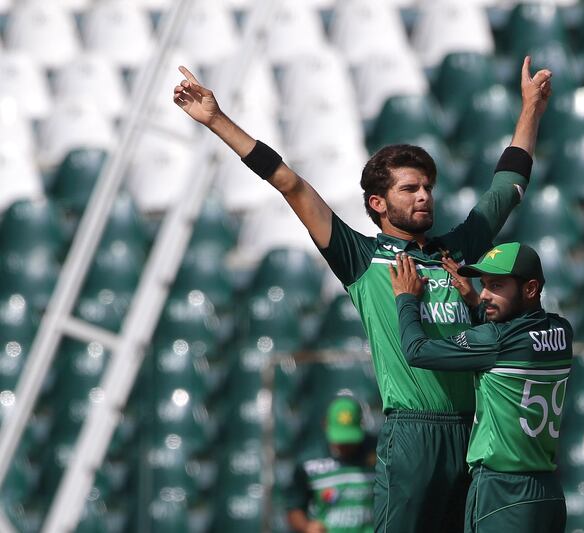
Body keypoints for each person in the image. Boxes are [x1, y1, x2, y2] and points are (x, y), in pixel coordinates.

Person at [173, 57, 552, 532]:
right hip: (413, 434)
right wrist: (216, 121)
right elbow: (289, 183)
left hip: (474, 433)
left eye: (428, 188)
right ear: (378, 203)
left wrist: (531, 109)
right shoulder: (360, 258)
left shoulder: (458, 250)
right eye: (410, 188)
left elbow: (509, 184)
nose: (424, 197)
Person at [389, 242, 573, 532]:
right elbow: (517, 336)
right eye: (483, 284)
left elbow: (416, 351)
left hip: (503, 491)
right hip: (548, 492)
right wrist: (474, 301)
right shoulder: (562, 331)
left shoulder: (494, 340)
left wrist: (406, 299)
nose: (485, 294)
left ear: (530, 288)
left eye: (497, 285)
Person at [285, 396, 376, 533]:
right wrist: (307, 527)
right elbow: (294, 507)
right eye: (340, 440)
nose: (345, 446)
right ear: (325, 425)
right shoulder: (308, 461)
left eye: (350, 440)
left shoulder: (379, 453)